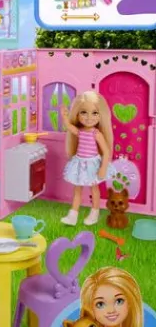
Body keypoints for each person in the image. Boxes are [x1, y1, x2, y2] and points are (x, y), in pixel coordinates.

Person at [60, 91, 112, 226]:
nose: (89, 117)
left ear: (101, 115)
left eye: (94, 113)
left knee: (94, 189)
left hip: (92, 164)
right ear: (77, 115)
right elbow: (69, 127)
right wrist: (64, 117)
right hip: (79, 163)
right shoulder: (80, 131)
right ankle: (72, 215)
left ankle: (94, 213)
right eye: (84, 112)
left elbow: (106, 151)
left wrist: (103, 168)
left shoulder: (96, 133)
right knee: (77, 189)